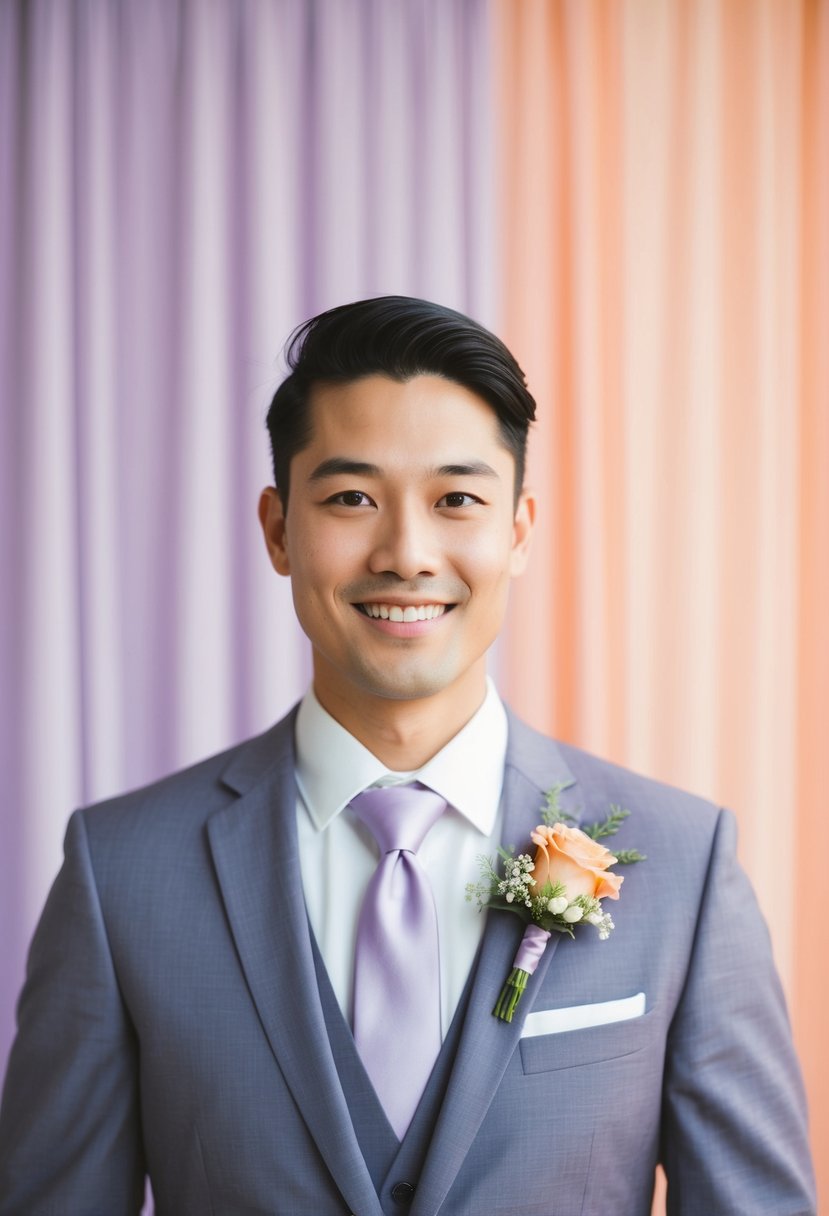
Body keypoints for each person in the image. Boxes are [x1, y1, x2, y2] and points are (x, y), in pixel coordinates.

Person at [0, 297, 815, 1215]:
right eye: (351, 498)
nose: (406, 553)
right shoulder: (123, 873)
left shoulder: (683, 864)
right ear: (277, 529)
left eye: (456, 500)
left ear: (516, 530)